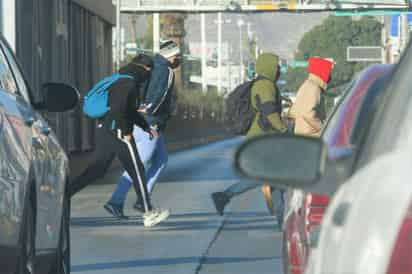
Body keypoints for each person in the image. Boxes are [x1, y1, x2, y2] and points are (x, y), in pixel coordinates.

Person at [70, 54, 170, 228]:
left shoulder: (121, 79)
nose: (149, 75)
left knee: (97, 170)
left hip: (107, 130)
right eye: (149, 71)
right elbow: (119, 109)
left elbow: (129, 111)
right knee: (137, 169)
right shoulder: (128, 84)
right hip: (118, 131)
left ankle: (62, 198)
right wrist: (126, 132)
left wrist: (146, 127)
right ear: (144, 69)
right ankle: (148, 212)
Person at [105, 40, 181, 216]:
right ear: (170, 55)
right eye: (177, 55)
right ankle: (118, 201)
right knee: (138, 165)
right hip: (150, 122)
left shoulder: (152, 66)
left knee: (161, 160)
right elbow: (160, 96)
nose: (178, 59)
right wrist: (148, 112)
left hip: (145, 120)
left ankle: (141, 199)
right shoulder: (167, 71)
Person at [211, 53, 288, 226]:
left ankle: (281, 217)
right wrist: (283, 130)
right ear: (269, 66)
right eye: (277, 67)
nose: (279, 70)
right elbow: (269, 112)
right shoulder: (265, 86)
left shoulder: (264, 84)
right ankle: (224, 196)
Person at [288, 57, 334, 137]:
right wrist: (323, 128)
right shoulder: (314, 88)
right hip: (311, 134)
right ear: (322, 71)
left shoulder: (307, 85)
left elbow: (294, 111)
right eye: (328, 72)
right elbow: (308, 113)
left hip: (302, 133)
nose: (330, 75)